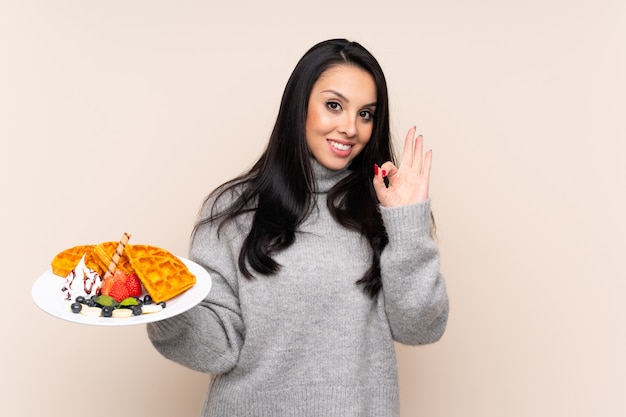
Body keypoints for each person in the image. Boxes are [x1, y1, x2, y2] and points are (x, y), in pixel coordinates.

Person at [147, 38, 449, 417]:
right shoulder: (233, 211)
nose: (350, 128)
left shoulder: (383, 209)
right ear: (299, 105)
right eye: (334, 105)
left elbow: (420, 327)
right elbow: (219, 346)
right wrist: (160, 305)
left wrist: (408, 222)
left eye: (366, 114)